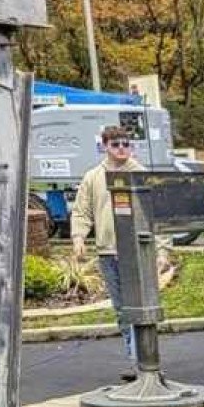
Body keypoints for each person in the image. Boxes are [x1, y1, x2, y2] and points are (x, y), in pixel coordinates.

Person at [71, 124, 144, 359]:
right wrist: (78, 237)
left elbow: (154, 214)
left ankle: (142, 358)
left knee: (140, 306)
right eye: (116, 144)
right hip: (107, 252)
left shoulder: (139, 174)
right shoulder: (93, 177)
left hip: (135, 251)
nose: (122, 149)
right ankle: (133, 357)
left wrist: (162, 250)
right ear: (105, 146)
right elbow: (83, 211)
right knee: (122, 309)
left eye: (126, 144)